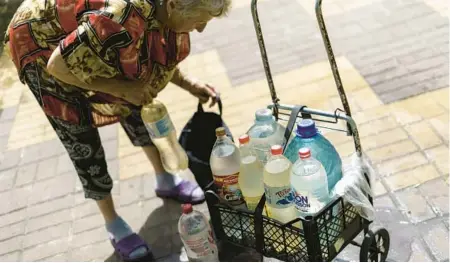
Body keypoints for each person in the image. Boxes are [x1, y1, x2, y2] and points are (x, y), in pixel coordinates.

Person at [4, 0, 232, 260]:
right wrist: (121, 89)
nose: (200, 29)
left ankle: (165, 180)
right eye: (200, 20)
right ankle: (113, 223)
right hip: (44, 48)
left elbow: (154, 53)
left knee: (140, 98)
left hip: (89, 38)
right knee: (81, 137)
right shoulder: (122, 15)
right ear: (172, 5)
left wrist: (190, 85)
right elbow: (57, 66)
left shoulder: (162, 13)